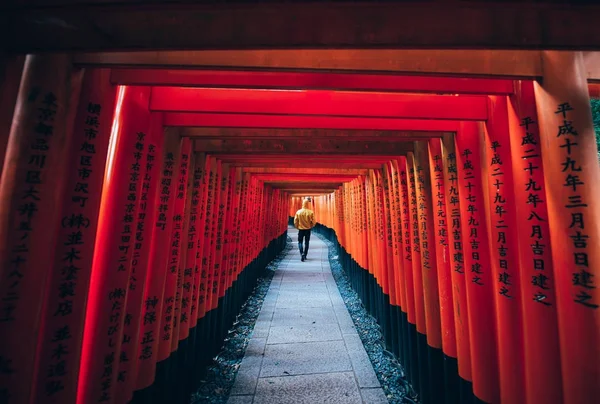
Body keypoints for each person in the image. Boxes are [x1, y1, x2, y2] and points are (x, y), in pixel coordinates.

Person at [293, 197, 315, 261]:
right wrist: (311, 226)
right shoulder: (310, 212)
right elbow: (314, 222)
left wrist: (297, 227)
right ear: (308, 204)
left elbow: (295, 221)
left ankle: (301, 253)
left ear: (302, 204)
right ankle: (305, 255)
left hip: (301, 229)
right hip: (308, 229)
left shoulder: (298, 212)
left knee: (300, 242)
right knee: (307, 242)